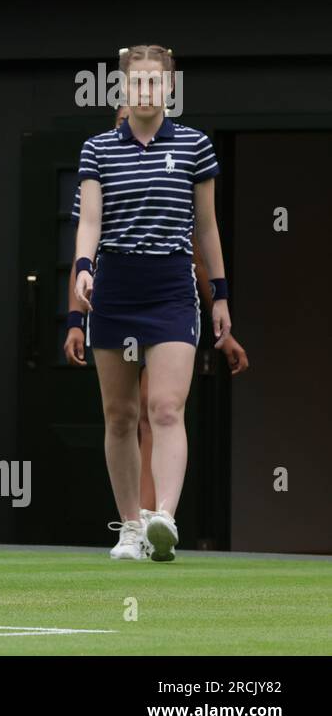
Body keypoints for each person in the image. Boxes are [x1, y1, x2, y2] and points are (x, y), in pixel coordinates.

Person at [74, 45, 230, 562]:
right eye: (135, 82)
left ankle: (164, 515)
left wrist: (221, 296)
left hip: (170, 284)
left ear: (169, 88)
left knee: (165, 408)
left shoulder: (195, 147)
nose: (144, 90)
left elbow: (206, 227)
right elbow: (90, 222)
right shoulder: (96, 148)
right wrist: (82, 268)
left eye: (154, 82)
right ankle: (130, 528)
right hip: (115, 283)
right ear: (122, 88)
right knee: (118, 415)